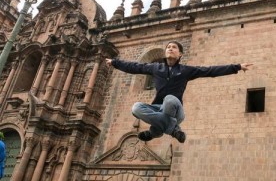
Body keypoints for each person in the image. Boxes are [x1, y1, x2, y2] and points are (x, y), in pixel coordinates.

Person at [105, 41, 253, 143]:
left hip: (176, 111)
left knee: (169, 99)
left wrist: (237, 67)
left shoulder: (186, 71)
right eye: (168, 47)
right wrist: (115, 63)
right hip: (159, 109)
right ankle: (170, 129)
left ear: (180, 54)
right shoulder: (155, 68)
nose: (170, 48)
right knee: (136, 107)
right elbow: (134, 67)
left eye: (174, 47)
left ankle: (155, 131)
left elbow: (210, 71)